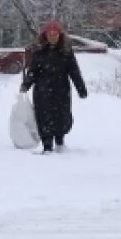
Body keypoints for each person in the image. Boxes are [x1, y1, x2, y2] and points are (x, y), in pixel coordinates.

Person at [20, 19, 88, 153]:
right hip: (42, 91)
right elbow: (33, 71)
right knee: (44, 117)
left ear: (60, 35)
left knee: (62, 117)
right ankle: (47, 145)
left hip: (61, 90)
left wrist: (81, 89)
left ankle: (60, 142)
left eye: (55, 34)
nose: (52, 37)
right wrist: (26, 85)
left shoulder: (66, 52)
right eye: (50, 34)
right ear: (45, 35)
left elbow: (74, 71)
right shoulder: (39, 52)